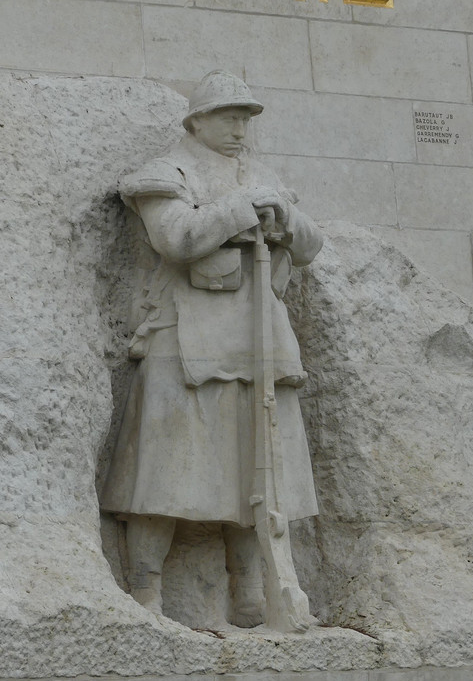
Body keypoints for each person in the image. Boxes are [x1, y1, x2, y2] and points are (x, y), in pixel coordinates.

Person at [101, 71, 323, 627]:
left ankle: (250, 587)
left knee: (257, 470)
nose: (240, 128)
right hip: (186, 340)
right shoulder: (165, 173)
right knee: (164, 471)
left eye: (246, 117)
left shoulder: (264, 176)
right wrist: (243, 209)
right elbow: (176, 237)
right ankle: (145, 589)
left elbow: (313, 246)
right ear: (196, 121)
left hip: (261, 346)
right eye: (229, 116)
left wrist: (286, 218)